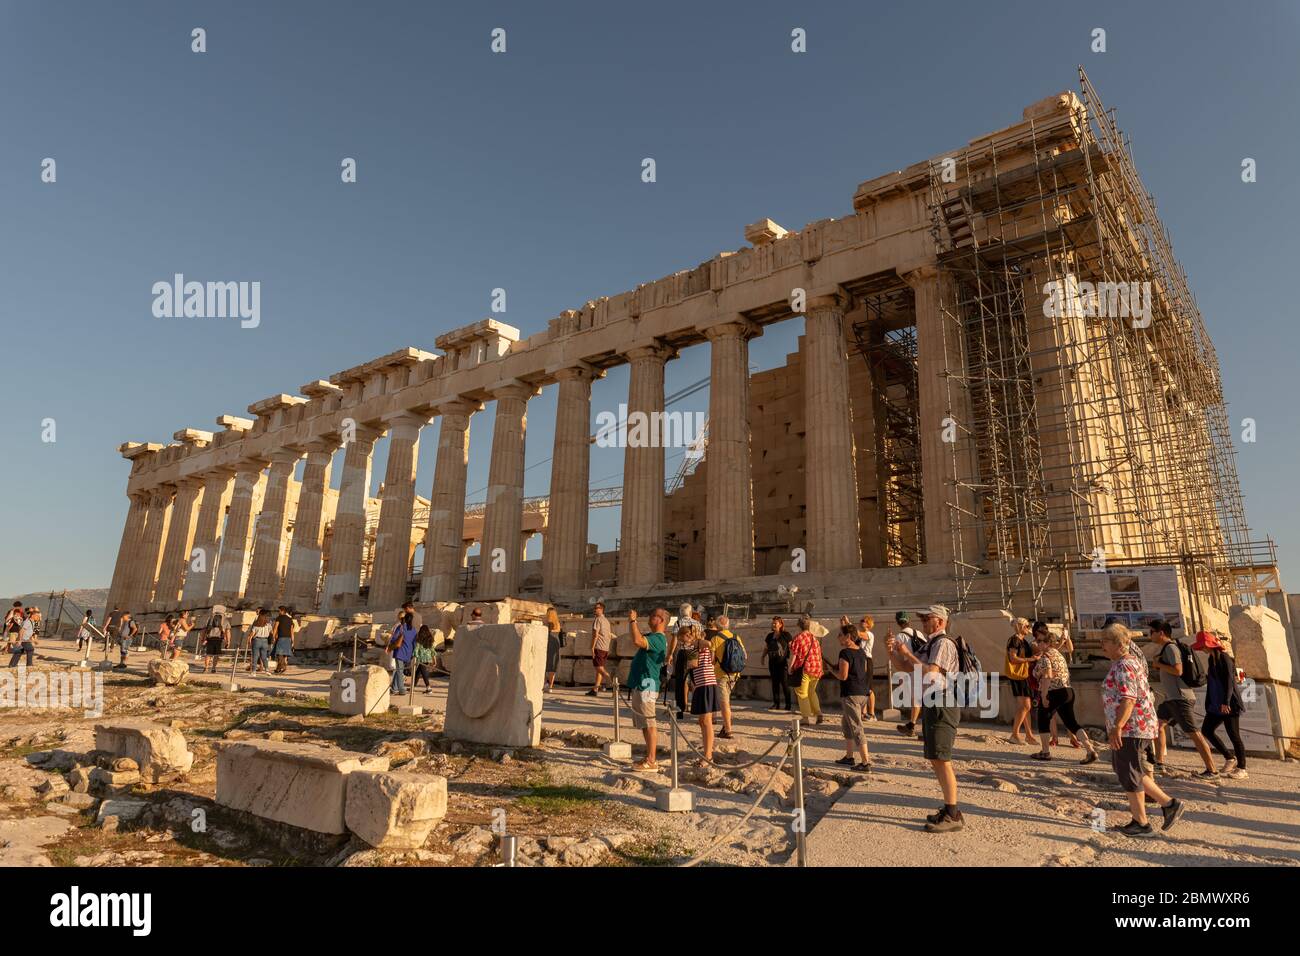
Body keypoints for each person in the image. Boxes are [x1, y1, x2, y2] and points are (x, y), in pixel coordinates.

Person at [1099, 623, 1186, 837]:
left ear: (1119, 644)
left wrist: (1118, 726)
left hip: (1131, 726)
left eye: (1105, 641)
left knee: (1129, 771)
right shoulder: (1126, 662)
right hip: (1135, 725)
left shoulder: (1124, 665)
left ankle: (1141, 822)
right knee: (1126, 769)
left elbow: (1128, 699)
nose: (1101, 646)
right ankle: (1168, 804)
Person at [888, 604, 963, 833]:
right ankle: (950, 809)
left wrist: (907, 651)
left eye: (926, 618)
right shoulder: (931, 643)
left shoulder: (943, 643)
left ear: (939, 621)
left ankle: (952, 814)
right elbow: (905, 667)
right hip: (933, 702)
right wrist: (891, 650)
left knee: (942, 758)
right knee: (935, 758)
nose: (922, 621)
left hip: (942, 701)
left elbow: (930, 672)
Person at [1148, 619, 1217, 776]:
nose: (1149, 635)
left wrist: (1159, 665)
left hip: (1180, 698)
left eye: (1152, 632)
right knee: (1157, 726)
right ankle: (1159, 763)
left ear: (1161, 633)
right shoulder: (1166, 648)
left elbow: (1178, 670)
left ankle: (1212, 771)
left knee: (1194, 733)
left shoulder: (1171, 648)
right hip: (1170, 699)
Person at [1031, 628, 1098, 764]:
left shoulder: (1045, 658)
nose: (1037, 644)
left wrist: (1044, 697)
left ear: (1046, 643)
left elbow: (1047, 677)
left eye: (1039, 641)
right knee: (1071, 722)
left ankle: (1045, 752)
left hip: (1054, 692)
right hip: (1068, 691)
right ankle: (1090, 750)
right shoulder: (1058, 654)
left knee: (1043, 719)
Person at [1195, 631, 1247, 779]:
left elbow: (1230, 681)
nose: (1202, 649)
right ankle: (1230, 758)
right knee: (1207, 730)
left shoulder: (1224, 658)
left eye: (1203, 646)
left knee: (1234, 735)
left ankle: (1242, 768)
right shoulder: (1212, 660)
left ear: (1209, 644)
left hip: (1229, 704)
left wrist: (1226, 701)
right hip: (1215, 705)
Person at [626, 607, 668, 771]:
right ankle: (649, 756)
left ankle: (651, 760)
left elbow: (637, 640)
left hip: (648, 684)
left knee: (649, 722)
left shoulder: (658, 639)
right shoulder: (653, 636)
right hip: (641, 683)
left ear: (662, 620)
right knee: (644, 722)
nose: (650, 617)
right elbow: (637, 639)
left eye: (653, 615)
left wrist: (632, 621)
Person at [835, 625, 872, 771]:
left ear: (848, 637)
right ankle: (849, 757)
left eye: (840, 634)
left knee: (856, 727)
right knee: (846, 724)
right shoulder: (861, 652)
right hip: (862, 693)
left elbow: (843, 676)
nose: (838, 637)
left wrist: (831, 671)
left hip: (851, 693)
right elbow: (862, 672)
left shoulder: (844, 653)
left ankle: (865, 762)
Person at [686, 626, 720, 764]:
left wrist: (697, 642)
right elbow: (692, 665)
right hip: (700, 684)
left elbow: (710, 644)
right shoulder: (691, 647)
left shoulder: (700, 643)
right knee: (702, 722)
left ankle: (708, 755)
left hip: (707, 683)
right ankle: (707, 753)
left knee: (706, 722)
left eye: (687, 636)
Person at [890, 611, 926, 737]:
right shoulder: (919, 633)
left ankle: (912, 725)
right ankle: (914, 724)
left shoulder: (899, 637)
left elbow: (898, 658)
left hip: (910, 669)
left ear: (897, 622)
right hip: (922, 666)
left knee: (915, 699)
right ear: (909, 620)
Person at [1004, 617, 1039, 744]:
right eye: (1027, 626)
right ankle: (1015, 734)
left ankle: (1029, 735)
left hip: (1025, 675)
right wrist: (1030, 660)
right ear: (1021, 626)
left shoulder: (1023, 641)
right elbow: (1013, 658)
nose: (1028, 628)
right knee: (1025, 706)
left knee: (1025, 707)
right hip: (1019, 676)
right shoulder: (1014, 640)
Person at [788, 615, 826, 726]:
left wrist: (790, 667)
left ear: (798, 626)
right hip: (817, 668)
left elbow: (794, 655)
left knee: (802, 693)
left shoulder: (798, 638)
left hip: (805, 668)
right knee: (811, 692)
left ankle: (805, 718)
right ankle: (818, 713)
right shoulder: (814, 638)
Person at [709, 614, 742, 739]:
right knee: (726, 701)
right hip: (735, 674)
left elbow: (712, 660)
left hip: (722, 674)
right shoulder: (736, 637)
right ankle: (725, 726)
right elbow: (744, 656)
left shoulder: (715, 639)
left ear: (717, 626)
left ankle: (728, 730)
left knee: (724, 703)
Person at [761, 616, 792, 711]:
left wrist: (793, 660)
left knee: (785, 684)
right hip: (772, 663)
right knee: (775, 684)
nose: (773, 625)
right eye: (773, 623)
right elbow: (766, 648)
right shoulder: (769, 636)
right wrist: (763, 657)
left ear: (781, 624)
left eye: (775, 623)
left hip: (783, 663)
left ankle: (788, 704)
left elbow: (792, 647)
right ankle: (776, 704)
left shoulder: (786, 635)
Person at [387, 610, 416, 694]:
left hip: (400, 652)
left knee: (399, 671)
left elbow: (394, 639)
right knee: (400, 669)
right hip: (408, 652)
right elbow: (414, 642)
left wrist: (389, 647)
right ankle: (394, 687)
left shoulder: (401, 628)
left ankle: (401, 689)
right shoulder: (413, 629)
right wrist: (413, 653)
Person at [588, 601, 613, 696]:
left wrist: (592, 647)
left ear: (601, 609)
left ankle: (611, 682)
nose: (594, 609)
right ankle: (595, 690)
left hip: (599, 646)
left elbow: (595, 635)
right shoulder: (606, 621)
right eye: (594, 608)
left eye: (596, 608)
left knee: (598, 667)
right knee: (599, 669)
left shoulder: (598, 619)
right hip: (605, 647)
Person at [855, 615, 877, 720]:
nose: (861, 622)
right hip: (860, 660)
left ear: (868, 624)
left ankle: (872, 713)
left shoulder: (869, 634)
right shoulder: (859, 637)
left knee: (869, 688)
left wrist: (848, 624)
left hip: (867, 661)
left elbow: (858, 633)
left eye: (863, 621)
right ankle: (863, 713)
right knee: (862, 687)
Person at [247, 609, 273, 674]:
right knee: (264, 657)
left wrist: (249, 640)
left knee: (255, 656)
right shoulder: (268, 624)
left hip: (257, 640)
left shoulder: (256, 623)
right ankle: (267, 670)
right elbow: (271, 632)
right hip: (265, 641)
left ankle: (253, 671)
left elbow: (252, 634)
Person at [412, 625, 437, 690]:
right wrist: (434, 661)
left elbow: (416, 649)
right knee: (418, 672)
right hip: (428, 659)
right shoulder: (430, 639)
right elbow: (432, 651)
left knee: (423, 673)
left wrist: (414, 657)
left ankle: (428, 687)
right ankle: (413, 686)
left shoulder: (419, 639)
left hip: (421, 659)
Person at [271, 605, 295, 673]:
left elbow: (275, 628)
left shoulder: (279, 618)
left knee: (279, 653)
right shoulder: (290, 619)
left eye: (279, 611)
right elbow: (292, 631)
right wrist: (293, 641)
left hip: (281, 638)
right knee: (284, 654)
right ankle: (279, 668)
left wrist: (273, 637)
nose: (278, 612)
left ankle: (282, 667)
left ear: (282, 611)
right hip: (288, 638)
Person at [544, 606, 562, 692]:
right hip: (556, 644)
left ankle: (545, 683)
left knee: (544, 663)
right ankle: (550, 686)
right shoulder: (558, 623)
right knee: (553, 665)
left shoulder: (547, 623)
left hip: (548, 642)